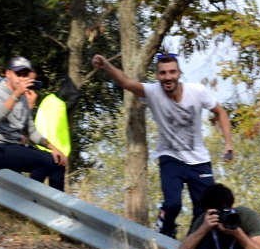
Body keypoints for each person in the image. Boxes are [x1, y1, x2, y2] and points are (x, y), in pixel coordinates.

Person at [91, 51, 234, 238]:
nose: (168, 77)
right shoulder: (152, 92)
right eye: (163, 73)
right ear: (157, 75)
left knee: (206, 210)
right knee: (173, 204)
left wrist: (228, 143)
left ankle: (194, 244)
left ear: (179, 73)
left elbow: (221, 112)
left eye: (172, 72)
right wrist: (106, 66)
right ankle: (164, 232)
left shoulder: (197, 91)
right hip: (170, 158)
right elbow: (126, 82)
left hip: (199, 160)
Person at [0, 57, 68, 190]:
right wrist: (16, 94)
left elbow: (32, 131)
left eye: (25, 74)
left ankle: (57, 201)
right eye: (18, 74)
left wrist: (53, 148)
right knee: (45, 162)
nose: (22, 78)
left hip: (12, 148)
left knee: (58, 161)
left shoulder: (23, 98)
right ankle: (29, 198)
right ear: (8, 74)